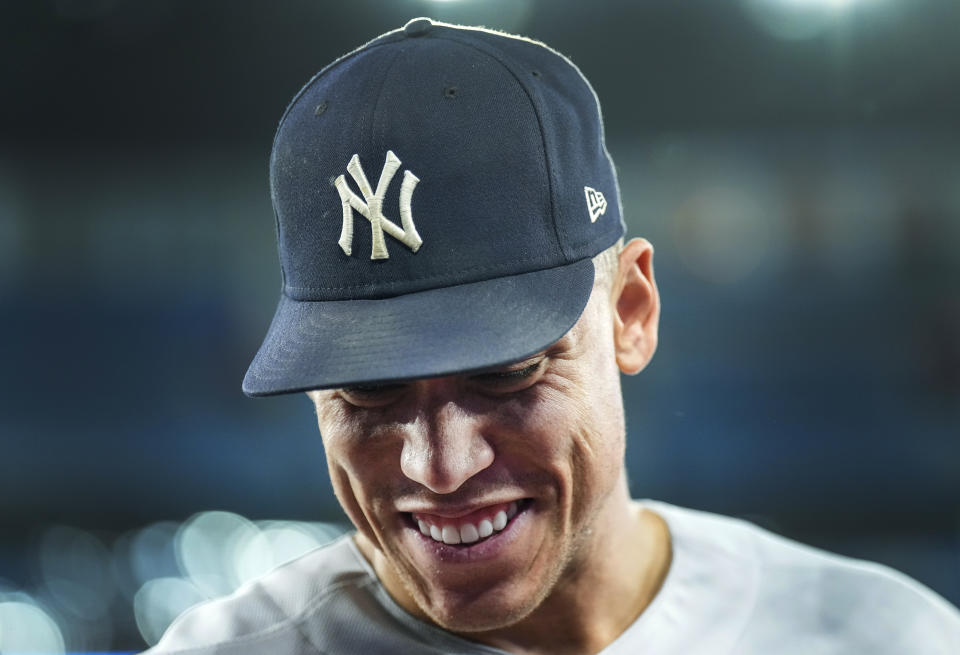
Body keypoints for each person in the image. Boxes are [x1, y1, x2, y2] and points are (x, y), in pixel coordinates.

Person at [146, 18, 960, 655]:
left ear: (630, 312)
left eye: (507, 371)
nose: (440, 464)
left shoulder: (883, 636)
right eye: (368, 390)